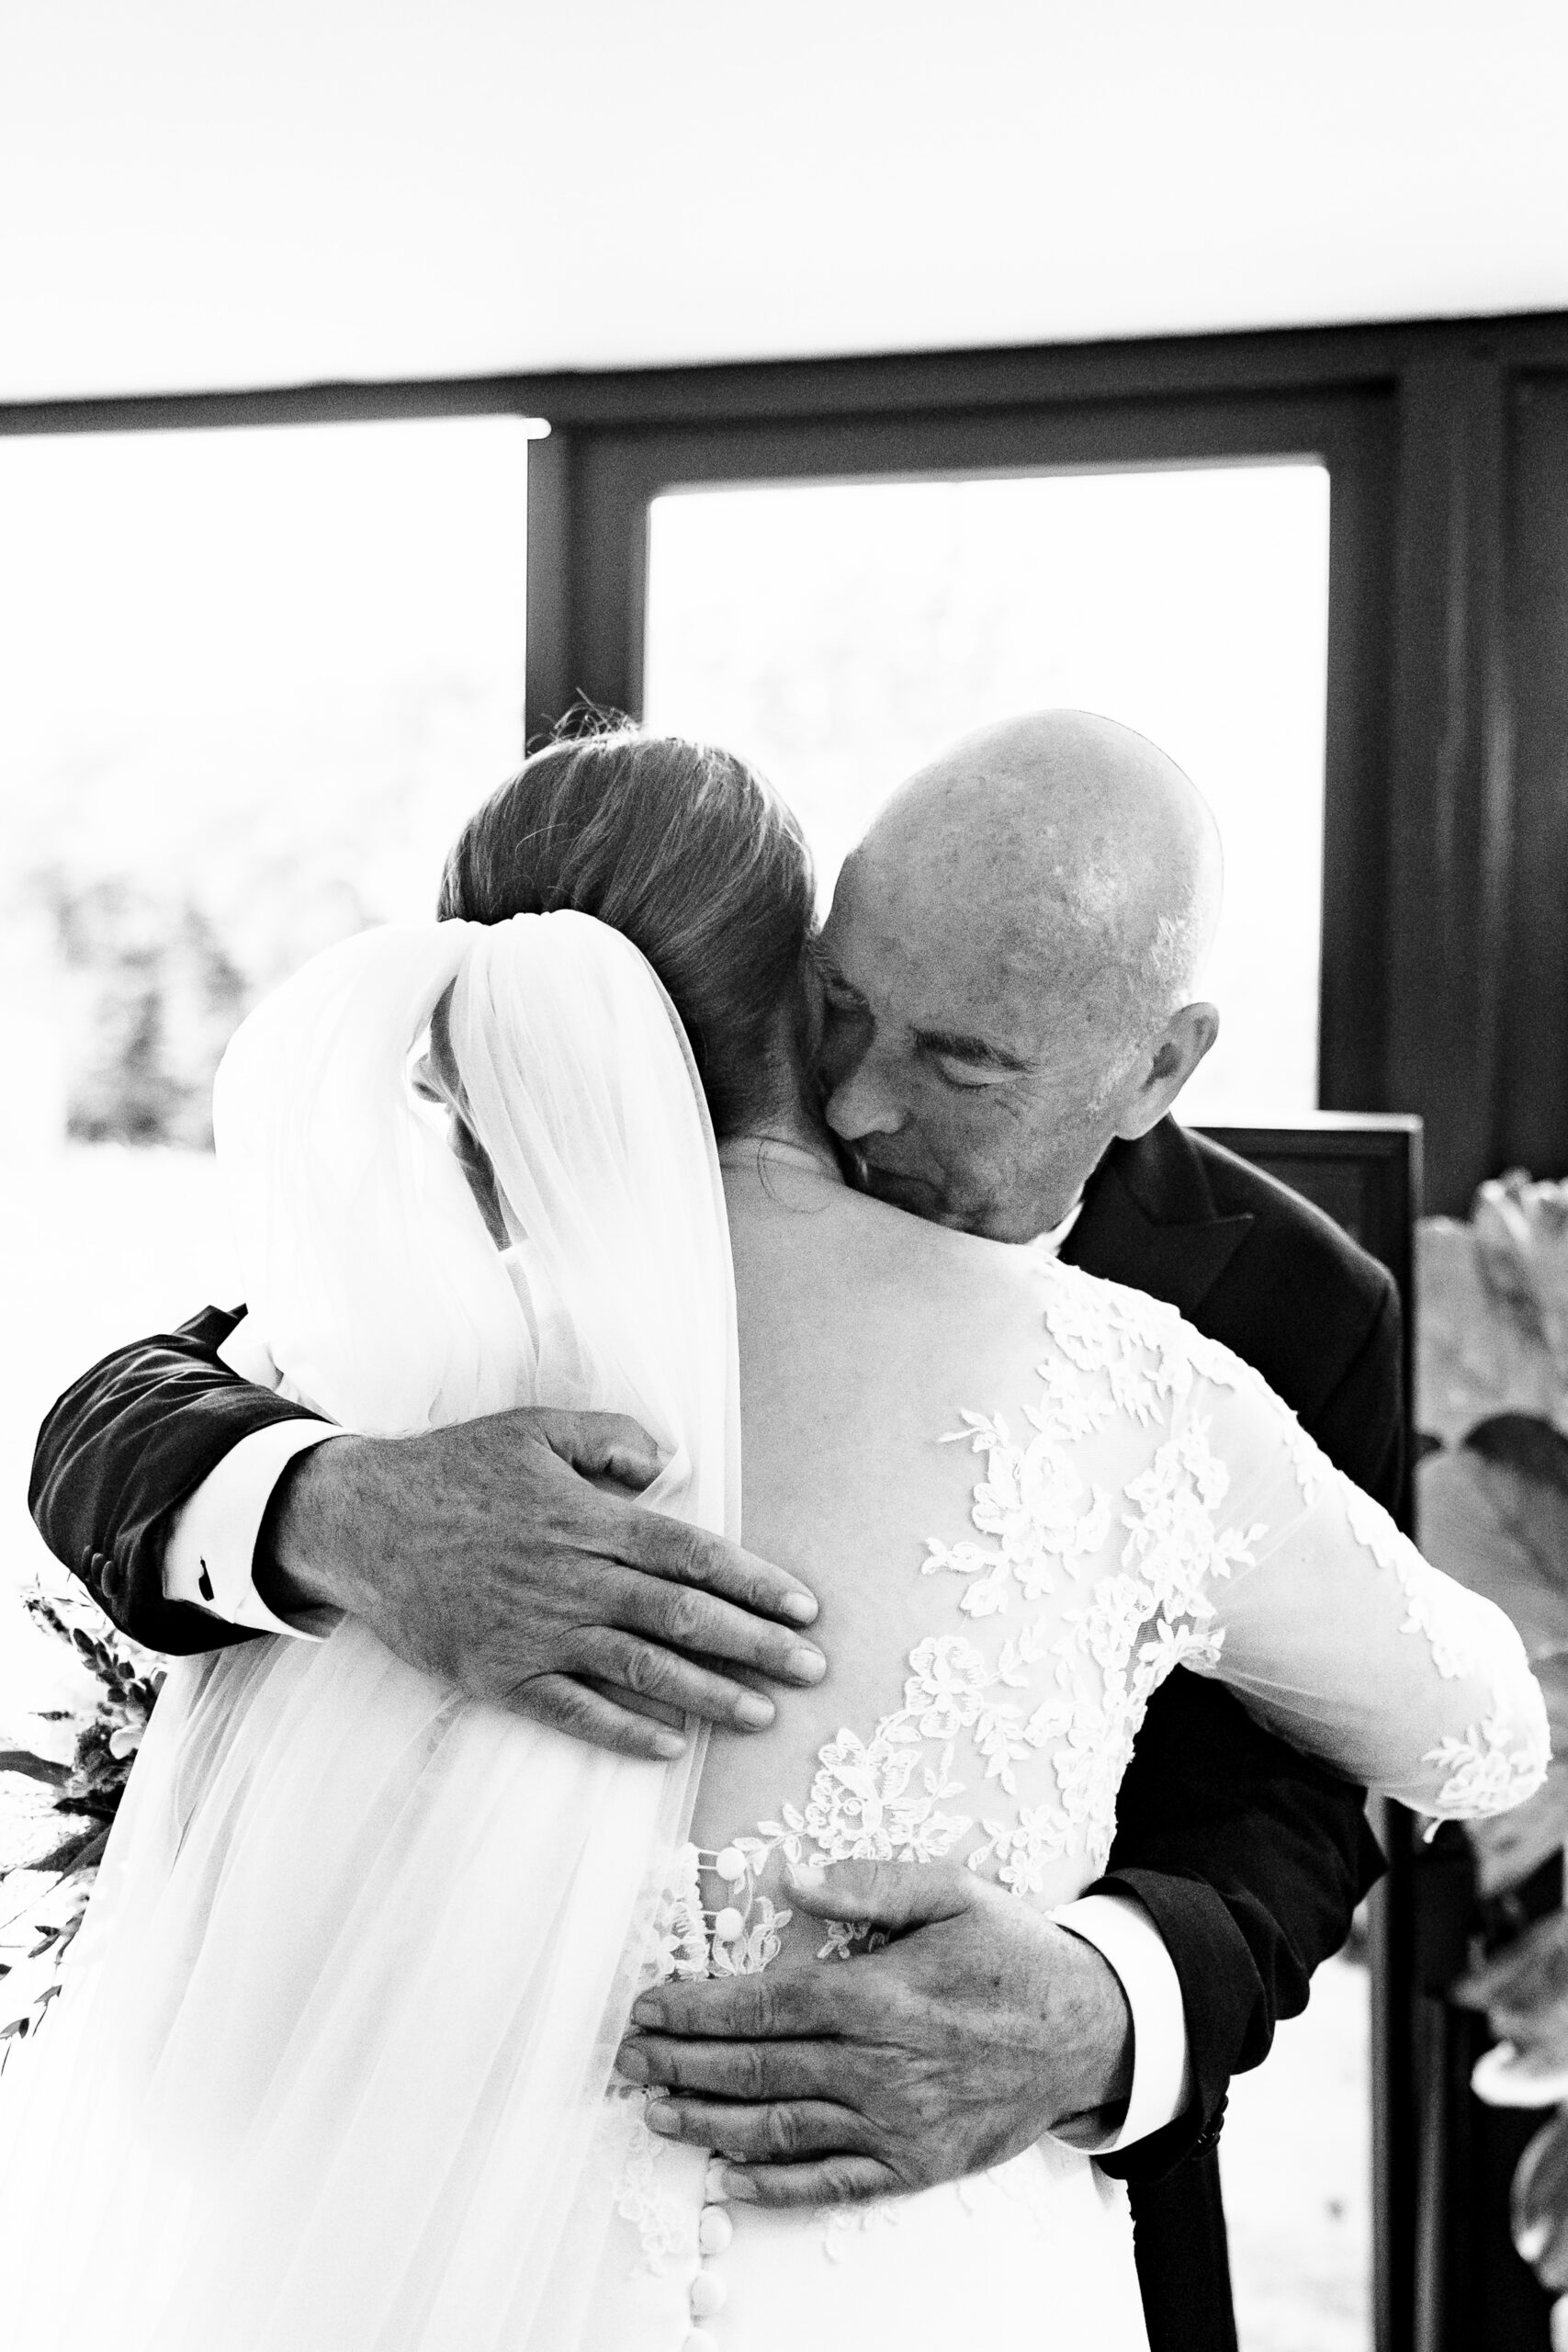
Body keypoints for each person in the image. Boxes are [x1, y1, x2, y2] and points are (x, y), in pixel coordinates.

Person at [27, 717, 1411, 2350]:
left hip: (967, 2236)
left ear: (1159, 1065)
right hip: (488, 2202)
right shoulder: (629, 1181)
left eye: (962, 1062)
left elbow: (1311, 1794)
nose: (859, 1103)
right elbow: (128, 1406)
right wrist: (332, 1509)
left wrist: (1114, 2006)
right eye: (839, 1009)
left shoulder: (1286, 1308)